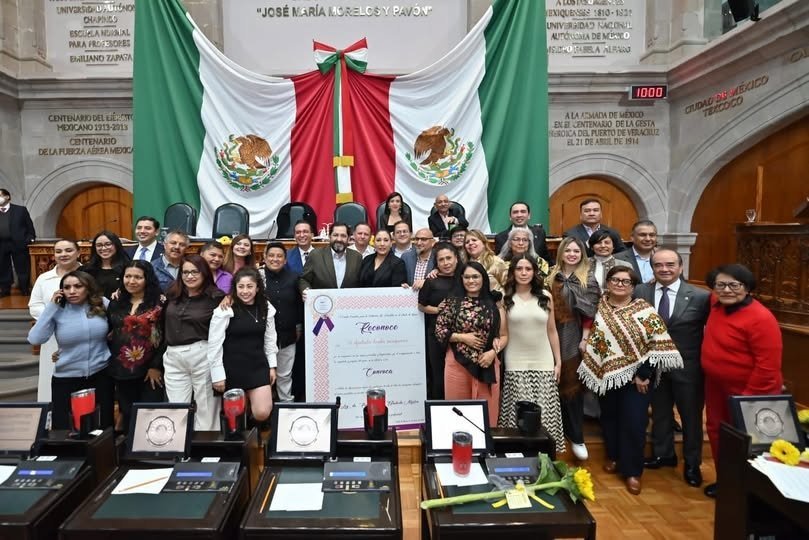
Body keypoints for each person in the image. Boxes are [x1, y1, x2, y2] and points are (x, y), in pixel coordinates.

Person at [578, 266, 682, 495]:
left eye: (626, 281)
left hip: (637, 378)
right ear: (608, 282)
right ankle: (614, 457)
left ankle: (633, 471)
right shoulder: (601, 306)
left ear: (634, 287)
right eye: (615, 280)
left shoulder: (644, 309)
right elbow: (595, 336)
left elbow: (657, 344)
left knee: (634, 422)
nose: (620, 284)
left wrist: (644, 374)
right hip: (607, 375)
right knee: (610, 418)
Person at [701, 263, 783, 499]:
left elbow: (768, 366)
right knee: (718, 433)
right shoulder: (715, 305)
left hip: (751, 393)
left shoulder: (760, 318)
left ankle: (754, 490)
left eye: (734, 285)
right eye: (720, 285)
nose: (727, 290)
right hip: (716, 386)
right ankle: (727, 481)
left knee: (749, 441)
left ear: (747, 288)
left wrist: (746, 401)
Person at [635, 248, 710, 488]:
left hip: (687, 367)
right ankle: (663, 454)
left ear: (680, 267)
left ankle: (692, 463)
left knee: (690, 417)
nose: (664, 269)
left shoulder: (700, 297)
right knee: (660, 413)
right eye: (658, 265)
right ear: (653, 268)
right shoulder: (640, 292)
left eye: (669, 265)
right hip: (653, 366)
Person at [27, 270, 114, 430]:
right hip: (66, 378)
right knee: (65, 429)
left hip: (100, 375)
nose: (72, 291)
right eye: (67, 287)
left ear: (88, 288)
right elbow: (35, 339)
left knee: (102, 427)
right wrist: (51, 307)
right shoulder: (57, 310)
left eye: (78, 286)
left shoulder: (101, 304)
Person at [499, 255, 565, 454]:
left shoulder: (545, 295)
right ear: (513, 272)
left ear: (535, 272)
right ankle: (517, 452)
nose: (524, 273)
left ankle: (544, 454)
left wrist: (558, 361)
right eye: (519, 269)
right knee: (518, 410)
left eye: (528, 269)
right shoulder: (504, 296)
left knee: (544, 408)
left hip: (543, 359)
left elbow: (552, 330)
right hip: (516, 359)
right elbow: (502, 332)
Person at [434, 261, 508, 427]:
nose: (471, 280)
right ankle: (459, 450)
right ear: (461, 279)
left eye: (475, 276)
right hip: (457, 365)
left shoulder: (494, 303)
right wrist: (463, 337)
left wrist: (492, 354)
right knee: (457, 414)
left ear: (483, 279)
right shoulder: (452, 302)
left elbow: (504, 336)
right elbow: (439, 331)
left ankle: (485, 451)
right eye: (466, 277)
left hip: (487, 363)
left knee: (486, 415)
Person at [546, 236, 600, 460]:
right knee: (552, 381)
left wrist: (585, 337)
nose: (572, 254)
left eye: (576, 251)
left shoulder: (587, 278)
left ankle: (577, 436)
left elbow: (591, 310)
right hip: (548, 332)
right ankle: (555, 433)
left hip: (574, 333)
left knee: (572, 386)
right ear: (561, 253)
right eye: (567, 250)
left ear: (582, 254)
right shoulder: (550, 275)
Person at [163, 255, 225, 431]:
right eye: (185, 272)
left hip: (202, 354)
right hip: (173, 356)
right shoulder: (172, 294)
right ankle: (180, 453)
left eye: (195, 272)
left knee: (206, 409)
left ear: (204, 273)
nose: (189, 276)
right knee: (176, 409)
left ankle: (204, 452)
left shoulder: (216, 296)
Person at [209, 267, 278, 422]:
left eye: (249, 286)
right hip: (232, 368)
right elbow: (214, 345)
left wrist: (272, 366)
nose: (245, 291)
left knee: (262, 412)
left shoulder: (266, 307)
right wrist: (217, 375)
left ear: (257, 288)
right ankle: (243, 439)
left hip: (258, 366)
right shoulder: (225, 309)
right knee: (235, 417)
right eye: (241, 287)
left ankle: (255, 431)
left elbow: (270, 339)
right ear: (235, 288)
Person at [106, 260, 166, 432]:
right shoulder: (116, 301)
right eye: (128, 276)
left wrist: (156, 366)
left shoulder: (159, 302)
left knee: (150, 414)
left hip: (150, 370)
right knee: (128, 413)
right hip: (121, 369)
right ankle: (129, 456)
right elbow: (108, 330)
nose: (131, 281)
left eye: (138, 277)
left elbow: (165, 336)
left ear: (147, 279)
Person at [29, 239, 82, 401]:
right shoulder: (44, 278)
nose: (63, 254)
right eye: (59, 251)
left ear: (78, 253)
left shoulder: (88, 274)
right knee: (50, 378)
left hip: (82, 335)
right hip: (52, 336)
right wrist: (53, 316)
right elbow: (34, 305)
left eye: (68, 250)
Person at [260, 242, 303, 402]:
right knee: (264, 376)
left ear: (285, 260)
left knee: (285, 375)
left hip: (288, 336)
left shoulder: (294, 278)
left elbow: (299, 305)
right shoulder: (257, 278)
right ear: (264, 258)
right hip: (262, 338)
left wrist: (299, 327)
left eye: (279, 256)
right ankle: (265, 409)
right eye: (271, 255)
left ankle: (286, 407)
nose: (275, 259)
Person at [418, 242, 461, 399]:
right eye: (441, 260)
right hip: (435, 335)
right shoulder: (431, 281)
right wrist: (438, 310)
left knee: (458, 375)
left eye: (449, 258)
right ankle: (438, 412)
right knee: (438, 375)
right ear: (437, 262)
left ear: (456, 258)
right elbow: (421, 306)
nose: (446, 263)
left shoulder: (464, 278)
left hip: (461, 335)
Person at [299, 223, 362, 295]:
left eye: (343, 236)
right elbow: (304, 279)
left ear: (348, 239)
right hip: (322, 303)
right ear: (329, 237)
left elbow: (361, 283)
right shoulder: (316, 255)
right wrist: (305, 290)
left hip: (347, 303)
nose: (339, 239)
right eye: (335, 235)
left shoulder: (357, 257)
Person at [0, 188, 36, 296]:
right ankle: (5, 289)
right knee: (2, 267)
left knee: (22, 266)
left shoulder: (20, 210)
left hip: (19, 243)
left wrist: (31, 238)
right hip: (1, 244)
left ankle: (24, 288)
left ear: (7, 197)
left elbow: (29, 225)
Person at [80, 230, 131, 298]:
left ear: (116, 245)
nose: (103, 248)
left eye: (108, 244)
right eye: (99, 245)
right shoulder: (86, 269)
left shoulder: (128, 268)